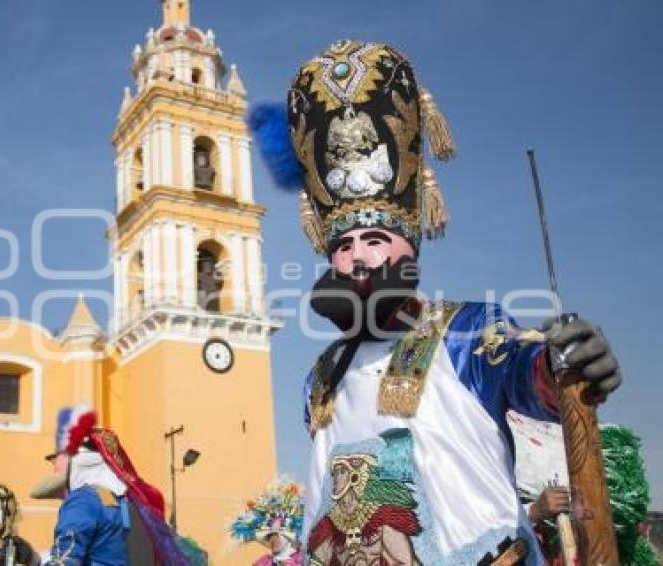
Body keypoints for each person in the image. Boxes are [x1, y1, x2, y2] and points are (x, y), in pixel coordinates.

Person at [248, 39, 623, 565]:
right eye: (344, 245)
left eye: (374, 241)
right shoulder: (322, 375)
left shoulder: (465, 330)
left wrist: (561, 362)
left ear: (408, 246)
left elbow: (524, 370)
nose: (358, 258)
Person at [47, 406, 191, 566]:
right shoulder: (128, 501)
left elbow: (64, 558)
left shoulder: (83, 500)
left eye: (58, 459)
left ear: (78, 461)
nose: (55, 467)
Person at [229, 478, 304, 566]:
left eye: (276, 535)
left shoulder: (304, 560)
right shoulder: (262, 563)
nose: (272, 540)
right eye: (269, 536)